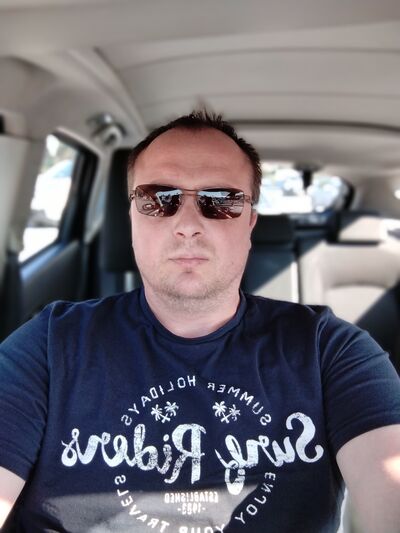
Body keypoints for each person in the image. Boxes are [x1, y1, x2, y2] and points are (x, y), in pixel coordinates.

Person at [0, 111, 399, 533]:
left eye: (220, 200)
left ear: (249, 223)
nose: (188, 225)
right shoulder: (50, 344)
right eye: (159, 198)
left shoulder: (330, 350)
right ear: (132, 217)